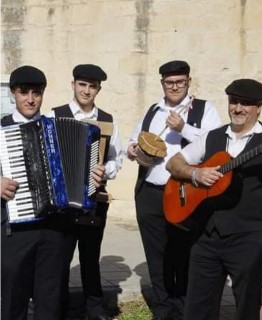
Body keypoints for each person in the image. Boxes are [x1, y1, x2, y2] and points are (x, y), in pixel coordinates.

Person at [1, 65, 105, 320]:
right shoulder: (1, 128)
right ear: (14, 93)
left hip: (56, 229)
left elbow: (83, 175)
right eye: (24, 92)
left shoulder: (57, 127)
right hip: (16, 231)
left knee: (51, 302)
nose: (30, 99)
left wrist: (94, 177)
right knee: (13, 299)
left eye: (36, 92)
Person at [127, 60, 222, 320]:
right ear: (162, 83)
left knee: (186, 251)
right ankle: (164, 307)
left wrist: (183, 128)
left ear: (189, 82)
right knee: (156, 255)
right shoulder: (152, 110)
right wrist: (132, 149)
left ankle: (186, 305)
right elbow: (134, 139)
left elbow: (215, 146)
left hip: (185, 193)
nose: (175, 87)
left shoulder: (205, 109)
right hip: (149, 192)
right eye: (169, 82)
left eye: (180, 82)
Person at [166, 78, 262, 320]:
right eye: (234, 101)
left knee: (246, 307)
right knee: (197, 308)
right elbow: (173, 162)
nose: (238, 108)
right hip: (206, 236)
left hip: (249, 238)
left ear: (259, 107)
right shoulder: (212, 136)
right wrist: (194, 173)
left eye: (246, 103)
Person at [50, 64, 123, 320]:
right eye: (82, 84)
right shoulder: (55, 115)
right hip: (62, 201)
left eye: (92, 86)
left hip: (95, 198)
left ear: (99, 89)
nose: (86, 90)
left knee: (90, 257)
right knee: (60, 257)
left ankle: (94, 309)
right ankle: (58, 307)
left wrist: (106, 170)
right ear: (73, 85)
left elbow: (117, 158)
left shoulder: (108, 119)